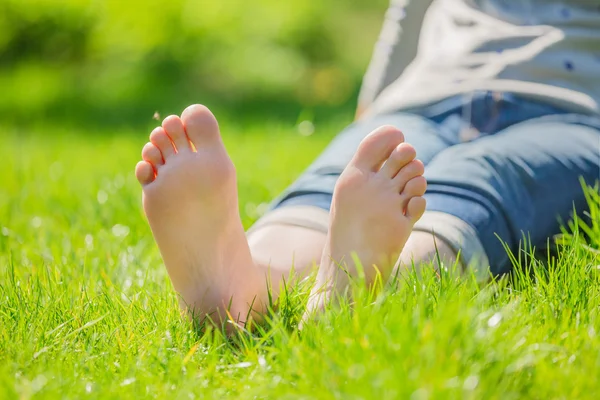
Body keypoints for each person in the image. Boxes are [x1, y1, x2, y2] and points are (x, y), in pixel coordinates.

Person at [134, 0, 600, 326]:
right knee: (344, 179)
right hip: (426, 92)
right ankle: (241, 284)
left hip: (572, 110)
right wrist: (373, 112)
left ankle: (352, 281)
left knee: (481, 179)